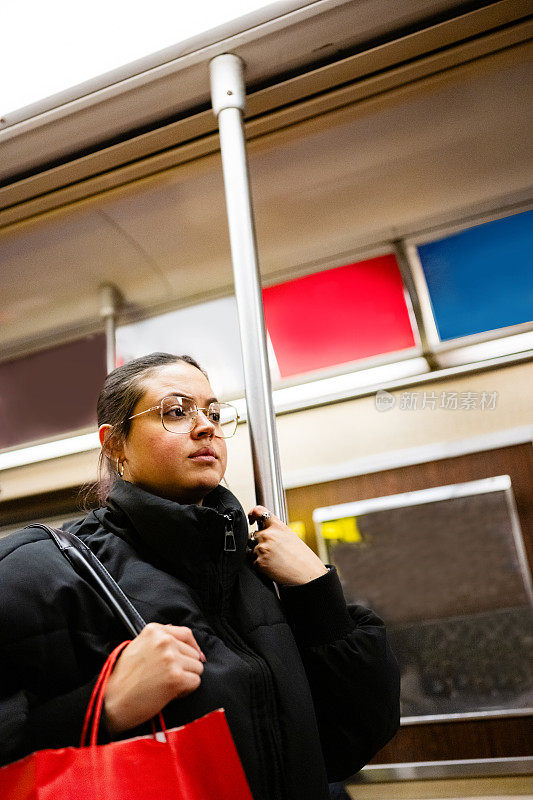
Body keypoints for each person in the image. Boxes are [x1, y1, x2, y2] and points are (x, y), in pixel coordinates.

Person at [0, 352, 400, 799]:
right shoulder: (45, 571)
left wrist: (316, 591)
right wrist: (100, 708)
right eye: (176, 411)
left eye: (211, 411)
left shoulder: (257, 566)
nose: (206, 426)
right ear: (115, 445)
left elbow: (353, 740)